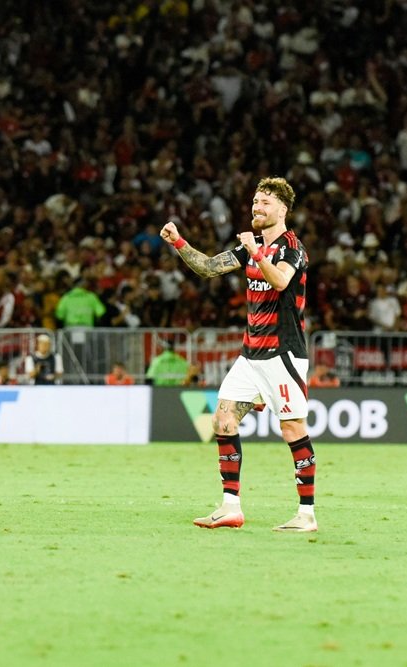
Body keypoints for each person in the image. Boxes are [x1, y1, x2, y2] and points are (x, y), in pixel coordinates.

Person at [161, 176, 317, 532]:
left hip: (283, 355)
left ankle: (306, 514)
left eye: (264, 202)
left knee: (292, 428)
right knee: (223, 420)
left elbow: (279, 281)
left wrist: (257, 251)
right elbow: (208, 267)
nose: (256, 208)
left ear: (282, 209)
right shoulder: (252, 245)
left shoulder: (293, 248)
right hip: (251, 355)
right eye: (254, 201)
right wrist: (180, 242)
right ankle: (230, 506)